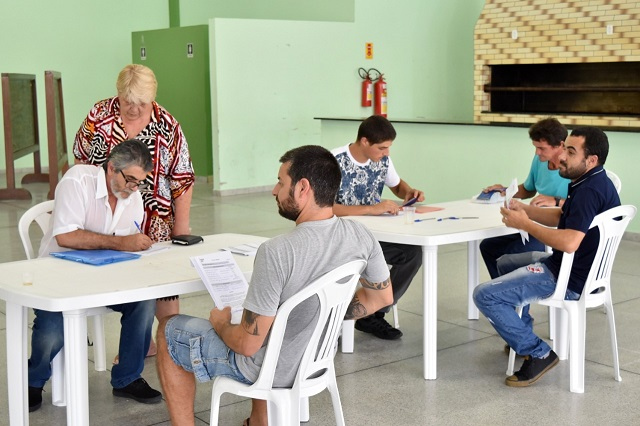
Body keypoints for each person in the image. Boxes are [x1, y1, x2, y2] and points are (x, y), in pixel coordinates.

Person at [156, 145, 394, 426]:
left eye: (281, 182)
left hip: (269, 369)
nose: (274, 190)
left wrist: (220, 323)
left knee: (169, 328)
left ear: (303, 188)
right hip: (315, 362)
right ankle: (259, 421)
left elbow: (246, 345)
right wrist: (322, 317)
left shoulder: (277, 251)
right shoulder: (361, 235)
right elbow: (381, 298)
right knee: (269, 320)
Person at [473, 126, 620, 387]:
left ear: (591, 159)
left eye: (571, 152)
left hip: (567, 278)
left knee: (484, 294)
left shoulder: (588, 191)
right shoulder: (592, 180)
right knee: (504, 262)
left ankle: (538, 351)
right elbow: (563, 217)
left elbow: (570, 242)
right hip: (569, 268)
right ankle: (519, 329)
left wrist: (526, 224)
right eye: (565, 149)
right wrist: (526, 210)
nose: (562, 156)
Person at [28, 140, 162, 412]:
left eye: (140, 183)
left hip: (105, 277)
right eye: (130, 180)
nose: (134, 189)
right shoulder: (77, 181)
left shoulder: (133, 198)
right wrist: (122, 243)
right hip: (58, 275)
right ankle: (33, 381)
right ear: (112, 167)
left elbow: (128, 245)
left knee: (144, 302)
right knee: (52, 330)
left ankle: (127, 377)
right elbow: (66, 236)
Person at [73, 64, 195, 355]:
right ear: (119, 95)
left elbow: (182, 180)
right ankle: (139, 344)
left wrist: (181, 230)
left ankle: (167, 346)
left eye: (142, 103)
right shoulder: (99, 115)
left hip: (155, 219)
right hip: (105, 216)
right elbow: (80, 161)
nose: (134, 109)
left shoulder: (168, 125)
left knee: (164, 286)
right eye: (128, 102)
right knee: (127, 287)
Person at [331, 115, 423, 340]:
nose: (386, 153)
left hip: (374, 235)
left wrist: (409, 191)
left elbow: (397, 186)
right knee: (366, 258)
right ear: (364, 141)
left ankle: (373, 313)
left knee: (412, 254)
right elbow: (326, 208)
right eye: (382, 148)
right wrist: (371, 209)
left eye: (388, 148)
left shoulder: (383, 160)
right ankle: (347, 314)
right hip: (341, 237)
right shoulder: (333, 161)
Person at [480, 117, 570, 280]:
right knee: (488, 246)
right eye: (535, 148)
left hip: (555, 231)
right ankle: (502, 295)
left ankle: (515, 300)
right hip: (532, 224)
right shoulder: (540, 160)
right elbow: (528, 189)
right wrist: (505, 190)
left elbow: (582, 203)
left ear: (560, 145)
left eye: (541, 148)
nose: (537, 153)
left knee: (515, 255)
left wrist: (556, 200)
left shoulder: (574, 167)